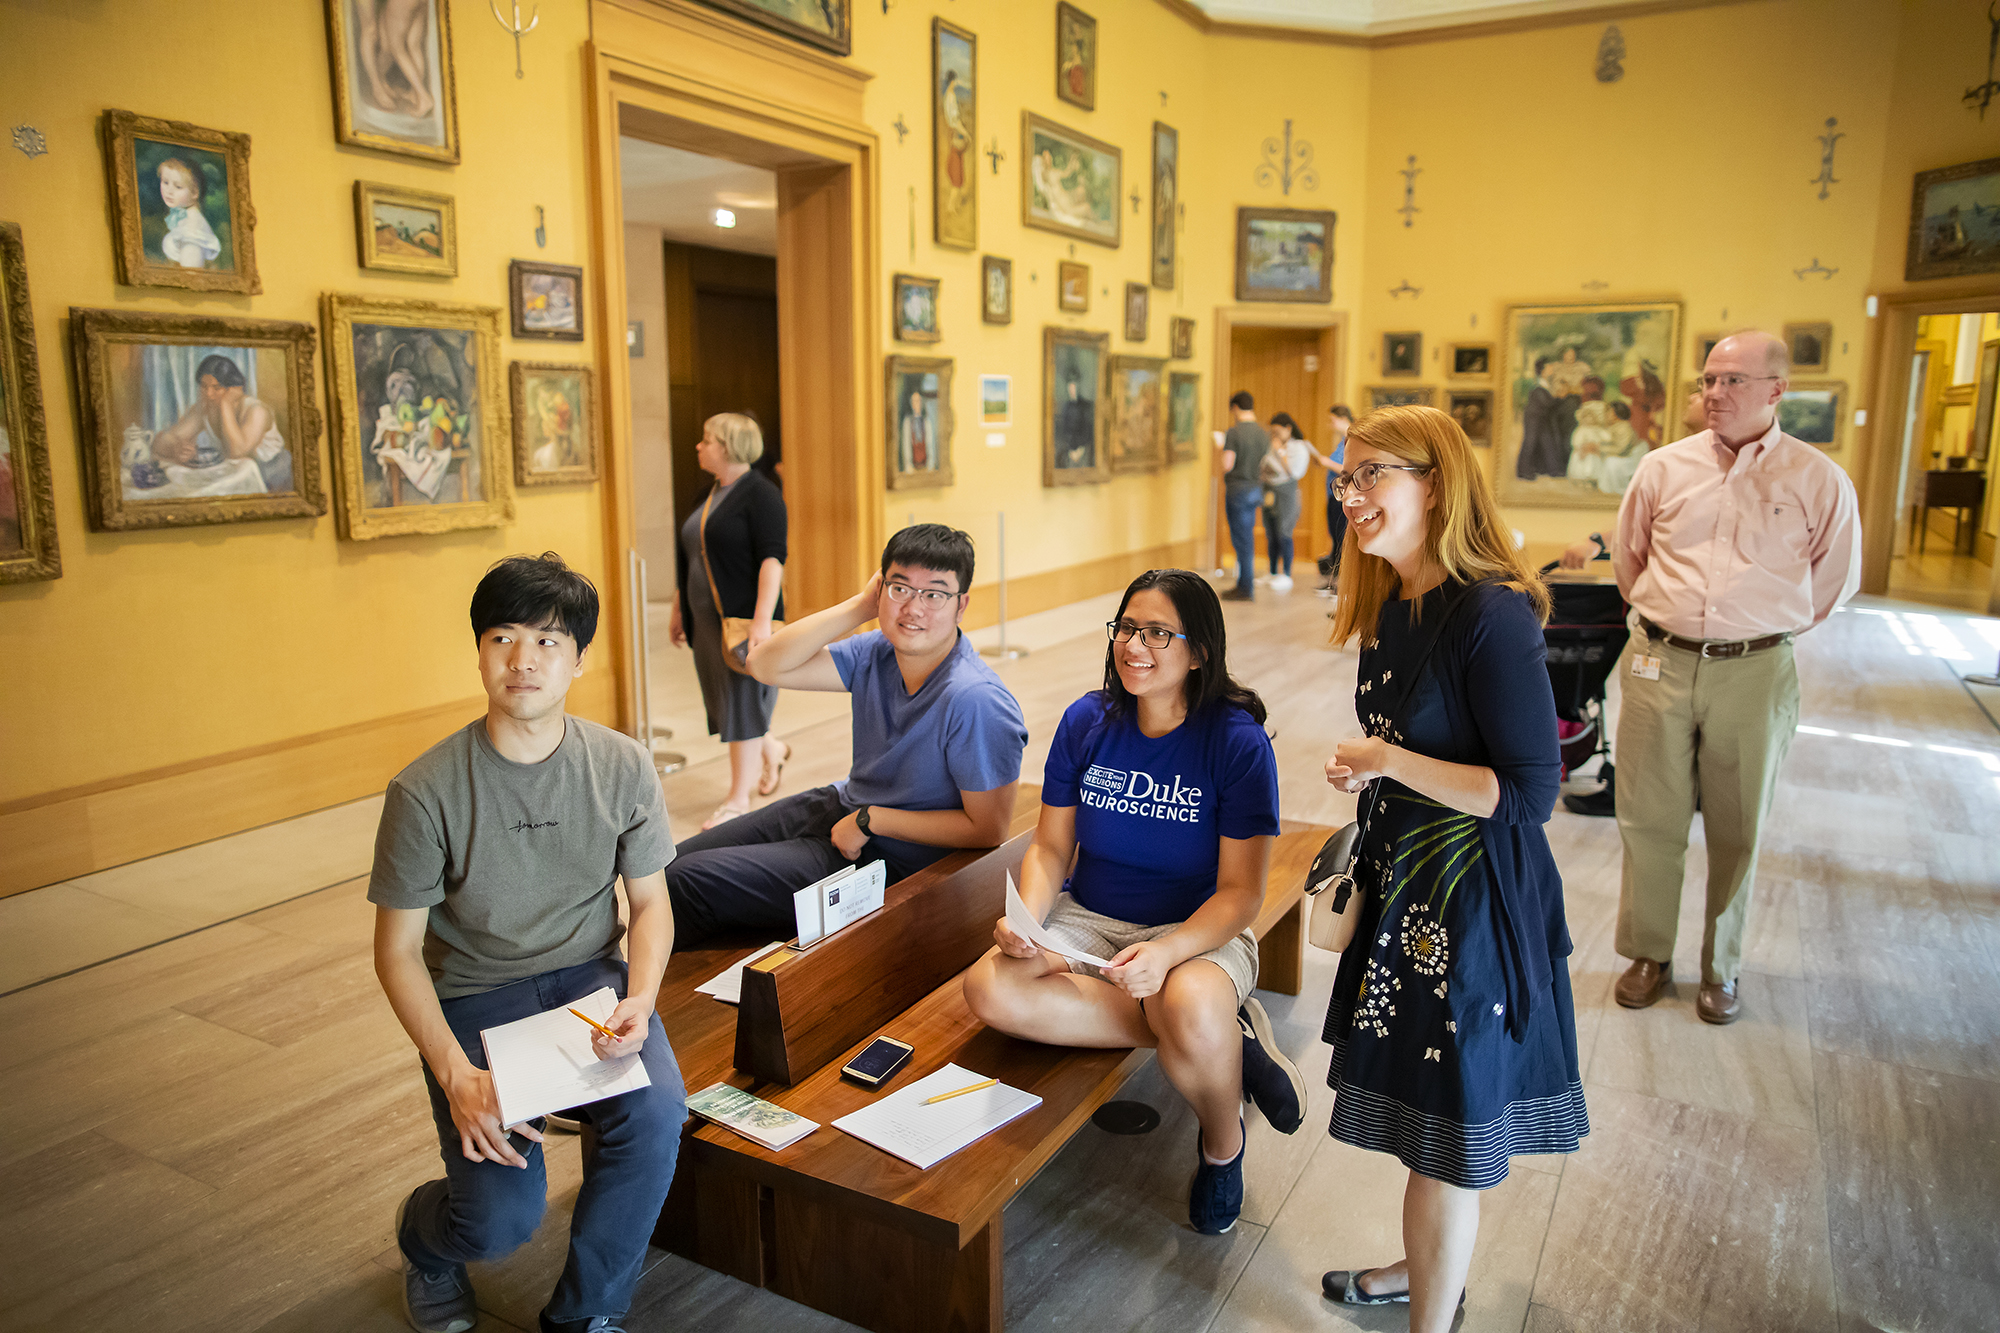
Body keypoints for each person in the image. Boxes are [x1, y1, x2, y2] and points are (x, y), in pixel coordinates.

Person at [1318, 405, 1588, 1329]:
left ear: (1435, 482)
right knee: (1426, 1115)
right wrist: (1374, 762)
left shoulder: (1493, 613)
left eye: (1371, 475)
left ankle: (1434, 1312)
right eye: (1345, 477)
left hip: (1472, 905)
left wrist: (1389, 760)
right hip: (1409, 894)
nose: (1351, 495)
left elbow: (1527, 795)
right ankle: (1425, 1267)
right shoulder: (1394, 603)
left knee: (1446, 1138)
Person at [369, 552, 684, 1333]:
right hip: (481, 998)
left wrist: (640, 997)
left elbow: (650, 905)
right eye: (503, 636)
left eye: (548, 641)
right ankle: (423, 1234)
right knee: (501, 1223)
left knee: (654, 1115)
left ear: (579, 660)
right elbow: (397, 950)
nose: (523, 659)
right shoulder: (425, 790)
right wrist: (455, 1072)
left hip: (590, 983)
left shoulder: (621, 765)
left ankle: (587, 1314)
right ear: (479, 651)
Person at [962, 569, 1299, 1236]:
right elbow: (1052, 849)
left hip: (1196, 927)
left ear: (1199, 649)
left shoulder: (1236, 742)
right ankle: (1223, 1040)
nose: (1133, 645)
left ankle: (1222, 1144)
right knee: (989, 989)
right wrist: (1027, 919)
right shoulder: (1088, 720)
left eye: (1157, 632)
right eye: (1125, 627)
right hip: (1091, 916)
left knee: (1186, 999)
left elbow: (1242, 892)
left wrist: (1170, 952)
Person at [1610, 331, 1860, 1025]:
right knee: (1647, 815)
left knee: (1739, 823)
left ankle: (1723, 966)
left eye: (1734, 381)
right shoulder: (1662, 468)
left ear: (1777, 390)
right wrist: (1672, 621)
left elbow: (1833, 583)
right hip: (1659, 658)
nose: (1714, 393)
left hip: (1756, 669)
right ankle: (1648, 953)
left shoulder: (1816, 479)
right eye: (1709, 379)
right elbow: (1630, 562)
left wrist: (1750, 626)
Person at [664, 524, 1029, 946]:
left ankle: (675, 997)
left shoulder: (975, 699)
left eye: (935, 594)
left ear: (961, 605)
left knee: (683, 883)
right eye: (899, 588)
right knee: (669, 863)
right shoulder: (876, 650)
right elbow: (763, 665)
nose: (913, 608)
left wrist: (872, 819)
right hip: (842, 806)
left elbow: (988, 830)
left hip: (889, 857)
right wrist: (859, 607)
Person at [668, 413, 791, 830]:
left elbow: (773, 561)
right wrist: (677, 607)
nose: (699, 447)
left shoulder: (762, 494)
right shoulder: (708, 493)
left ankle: (738, 799)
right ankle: (770, 748)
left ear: (728, 446)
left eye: (707, 440)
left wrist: (761, 623)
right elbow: (693, 557)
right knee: (723, 704)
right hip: (705, 621)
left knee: (739, 702)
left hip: (741, 621)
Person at [147, 354, 293, 493]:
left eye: (217, 388)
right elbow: (160, 442)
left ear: (234, 389)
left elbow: (237, 452)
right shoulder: (203, 409)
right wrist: (176, 448)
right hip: (236, 474)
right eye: (204, 386)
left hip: (274, 475)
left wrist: (226, 405)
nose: (209, 394)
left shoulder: (256, 411)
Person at [1218, 391, 1269, 602]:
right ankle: (1244, 584)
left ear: (1236, 408)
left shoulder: (1234, 432)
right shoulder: (1262, 433)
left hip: (1238, 488)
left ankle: (1245, 586)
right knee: (1248, 537)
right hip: (1256, 487)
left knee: (1242, 540)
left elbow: (1227, 464)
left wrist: (1219, 448)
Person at [1305, 404, 1353, 595]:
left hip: (1342, 497)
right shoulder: (1341, 441)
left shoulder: (1352, 439)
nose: (1330, 424)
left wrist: (1327, 463)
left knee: (1342, 539)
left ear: (1342, 418)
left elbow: (1348, 468)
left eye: (1332, 420)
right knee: (1335, 538)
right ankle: (1333, 582)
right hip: (1333, 495)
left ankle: (1341, 585)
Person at [1259, 412, 1310, 591]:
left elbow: (1294, 472)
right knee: (1270, 532)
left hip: (1287, 492)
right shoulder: (1271, 444)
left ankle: (1286, 574)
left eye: (1278, 431)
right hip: (1269, 490)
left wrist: (1280, 452)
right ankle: (1272, 572)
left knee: (1284, 532)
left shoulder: (1299, 447)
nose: (1275, 434)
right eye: (1272, 431)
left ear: (1288, 429)